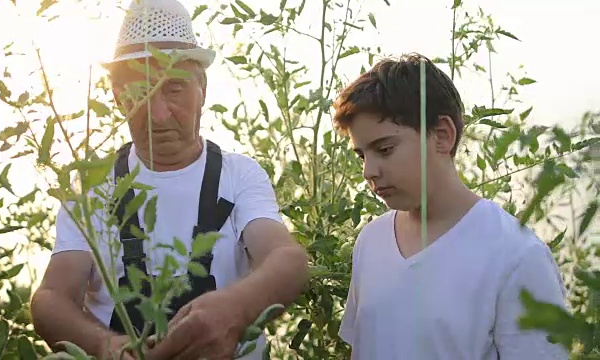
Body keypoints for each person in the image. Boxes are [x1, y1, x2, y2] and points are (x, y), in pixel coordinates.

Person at [29, 0, 310, 359]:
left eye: (174, 89)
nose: (159, 115)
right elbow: (51, 298)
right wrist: (106, 346)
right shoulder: (93, 189)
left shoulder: (238, 175)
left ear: (202, 90)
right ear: (118, 100)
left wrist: (236, 309)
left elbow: (287, 259)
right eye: (139, 93)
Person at [331, 53, 570, 359]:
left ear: (443, 135)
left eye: (385, 149)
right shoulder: (371, 241)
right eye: (362, 155)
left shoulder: (517, 255)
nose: (369, 171)